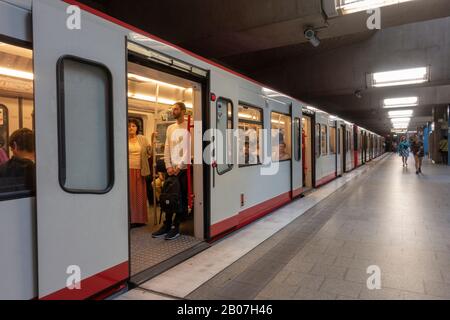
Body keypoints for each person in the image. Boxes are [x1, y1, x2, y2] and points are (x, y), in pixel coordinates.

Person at [152, 102, 190, 240]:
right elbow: (167, 148)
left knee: (181, 198)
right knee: (169, 197)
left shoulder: (189, 126)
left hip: (183, 169)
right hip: (171, 169)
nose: (173, 111)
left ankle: (176, 226)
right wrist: (168, 166)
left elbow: (189, 149)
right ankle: (166, 224)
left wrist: (179, 167)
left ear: (183, 111)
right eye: (172, 109)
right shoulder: (170, 128)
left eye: (176, 109)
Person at [128, 119, 152, 227]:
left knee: (140, 196)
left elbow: (149, 153)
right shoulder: (124, 139)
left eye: (133, 126)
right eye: (129, 126)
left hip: (140, 170)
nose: (131, 128)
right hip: (128, 170)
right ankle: (131, 219)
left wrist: (152, 141)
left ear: (137, 128)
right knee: (131, 196)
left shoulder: (142, 139)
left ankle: (140, 219)